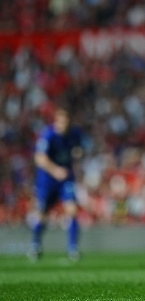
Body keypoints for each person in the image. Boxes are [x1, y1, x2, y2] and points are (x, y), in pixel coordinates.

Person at [28, 106, 83, 262]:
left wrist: (79, 154)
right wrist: (55, 170)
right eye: (61, 121)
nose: (63, 124)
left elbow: (79, 150)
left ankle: (73, 248)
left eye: (66, 121)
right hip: (47, 181)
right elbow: (39, 158)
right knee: (41, 213)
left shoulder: (75, 134)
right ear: (56, 121)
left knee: (72, 210)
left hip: (66, 179)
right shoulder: (48, 135)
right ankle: (35, 245)